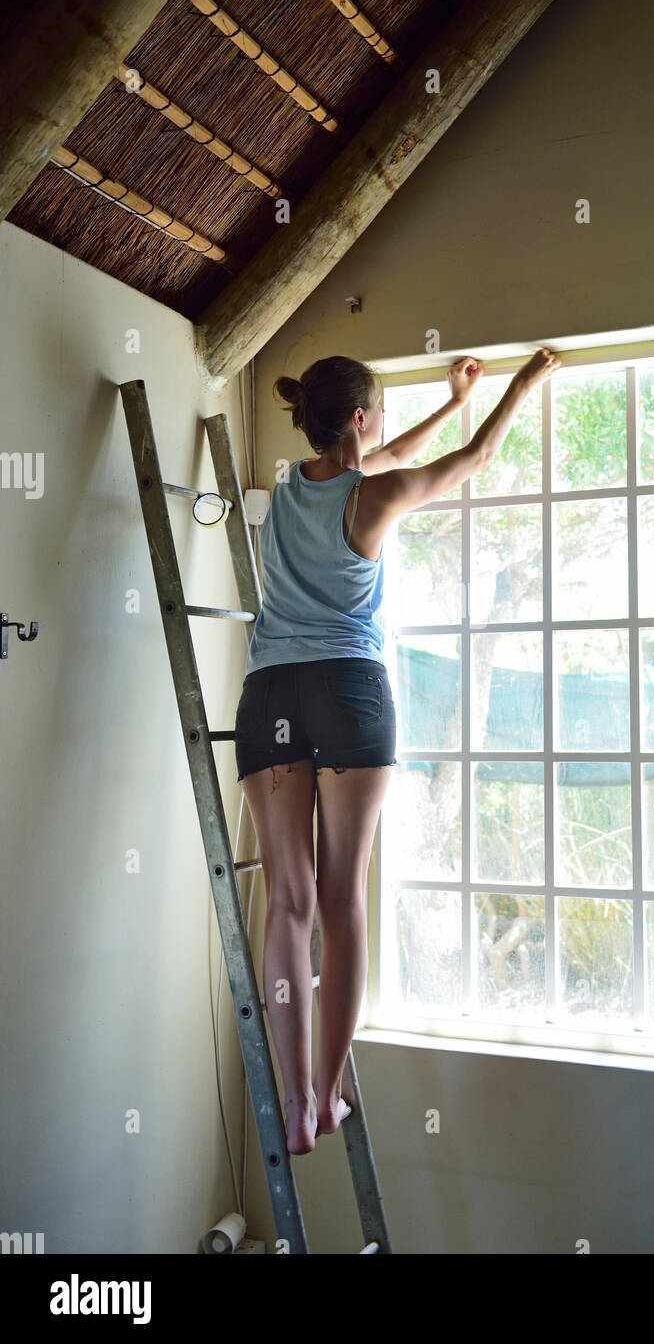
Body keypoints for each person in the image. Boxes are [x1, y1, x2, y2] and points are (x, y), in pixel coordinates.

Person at [234, 346, 561, 1155]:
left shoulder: (284, 493)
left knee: (289, 903)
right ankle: (327, 1102)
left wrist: (449, 402)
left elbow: (389, 454)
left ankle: (295, 1093)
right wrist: (520, 384)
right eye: (375, 414)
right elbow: (474, 459)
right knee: (342, 903)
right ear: (358, 415)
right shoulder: (372, 498)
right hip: (346, 694)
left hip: (271, 696)